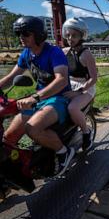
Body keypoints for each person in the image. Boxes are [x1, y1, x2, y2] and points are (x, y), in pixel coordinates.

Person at [0, 16, 74, 176]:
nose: (21, 37)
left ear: (38, 35)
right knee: (8, 138)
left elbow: (61, 80)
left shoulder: (54, 52)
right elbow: (11, 77)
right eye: (19, 33)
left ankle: (63, 151)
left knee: (32, 129)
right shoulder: (26, 54)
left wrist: (35, 98)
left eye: (25, 33)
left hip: (58, 98)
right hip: (40, 98)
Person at [62, 18, 97, 151]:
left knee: (72, 108)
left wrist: (79, 91)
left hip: (85, 87)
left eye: (74, 35)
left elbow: (93, 78)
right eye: (68, 35)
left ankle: (86, 131)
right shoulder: (65, 52)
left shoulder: (86, 54)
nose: (70, 38)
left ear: (82, 36)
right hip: (69, 84)